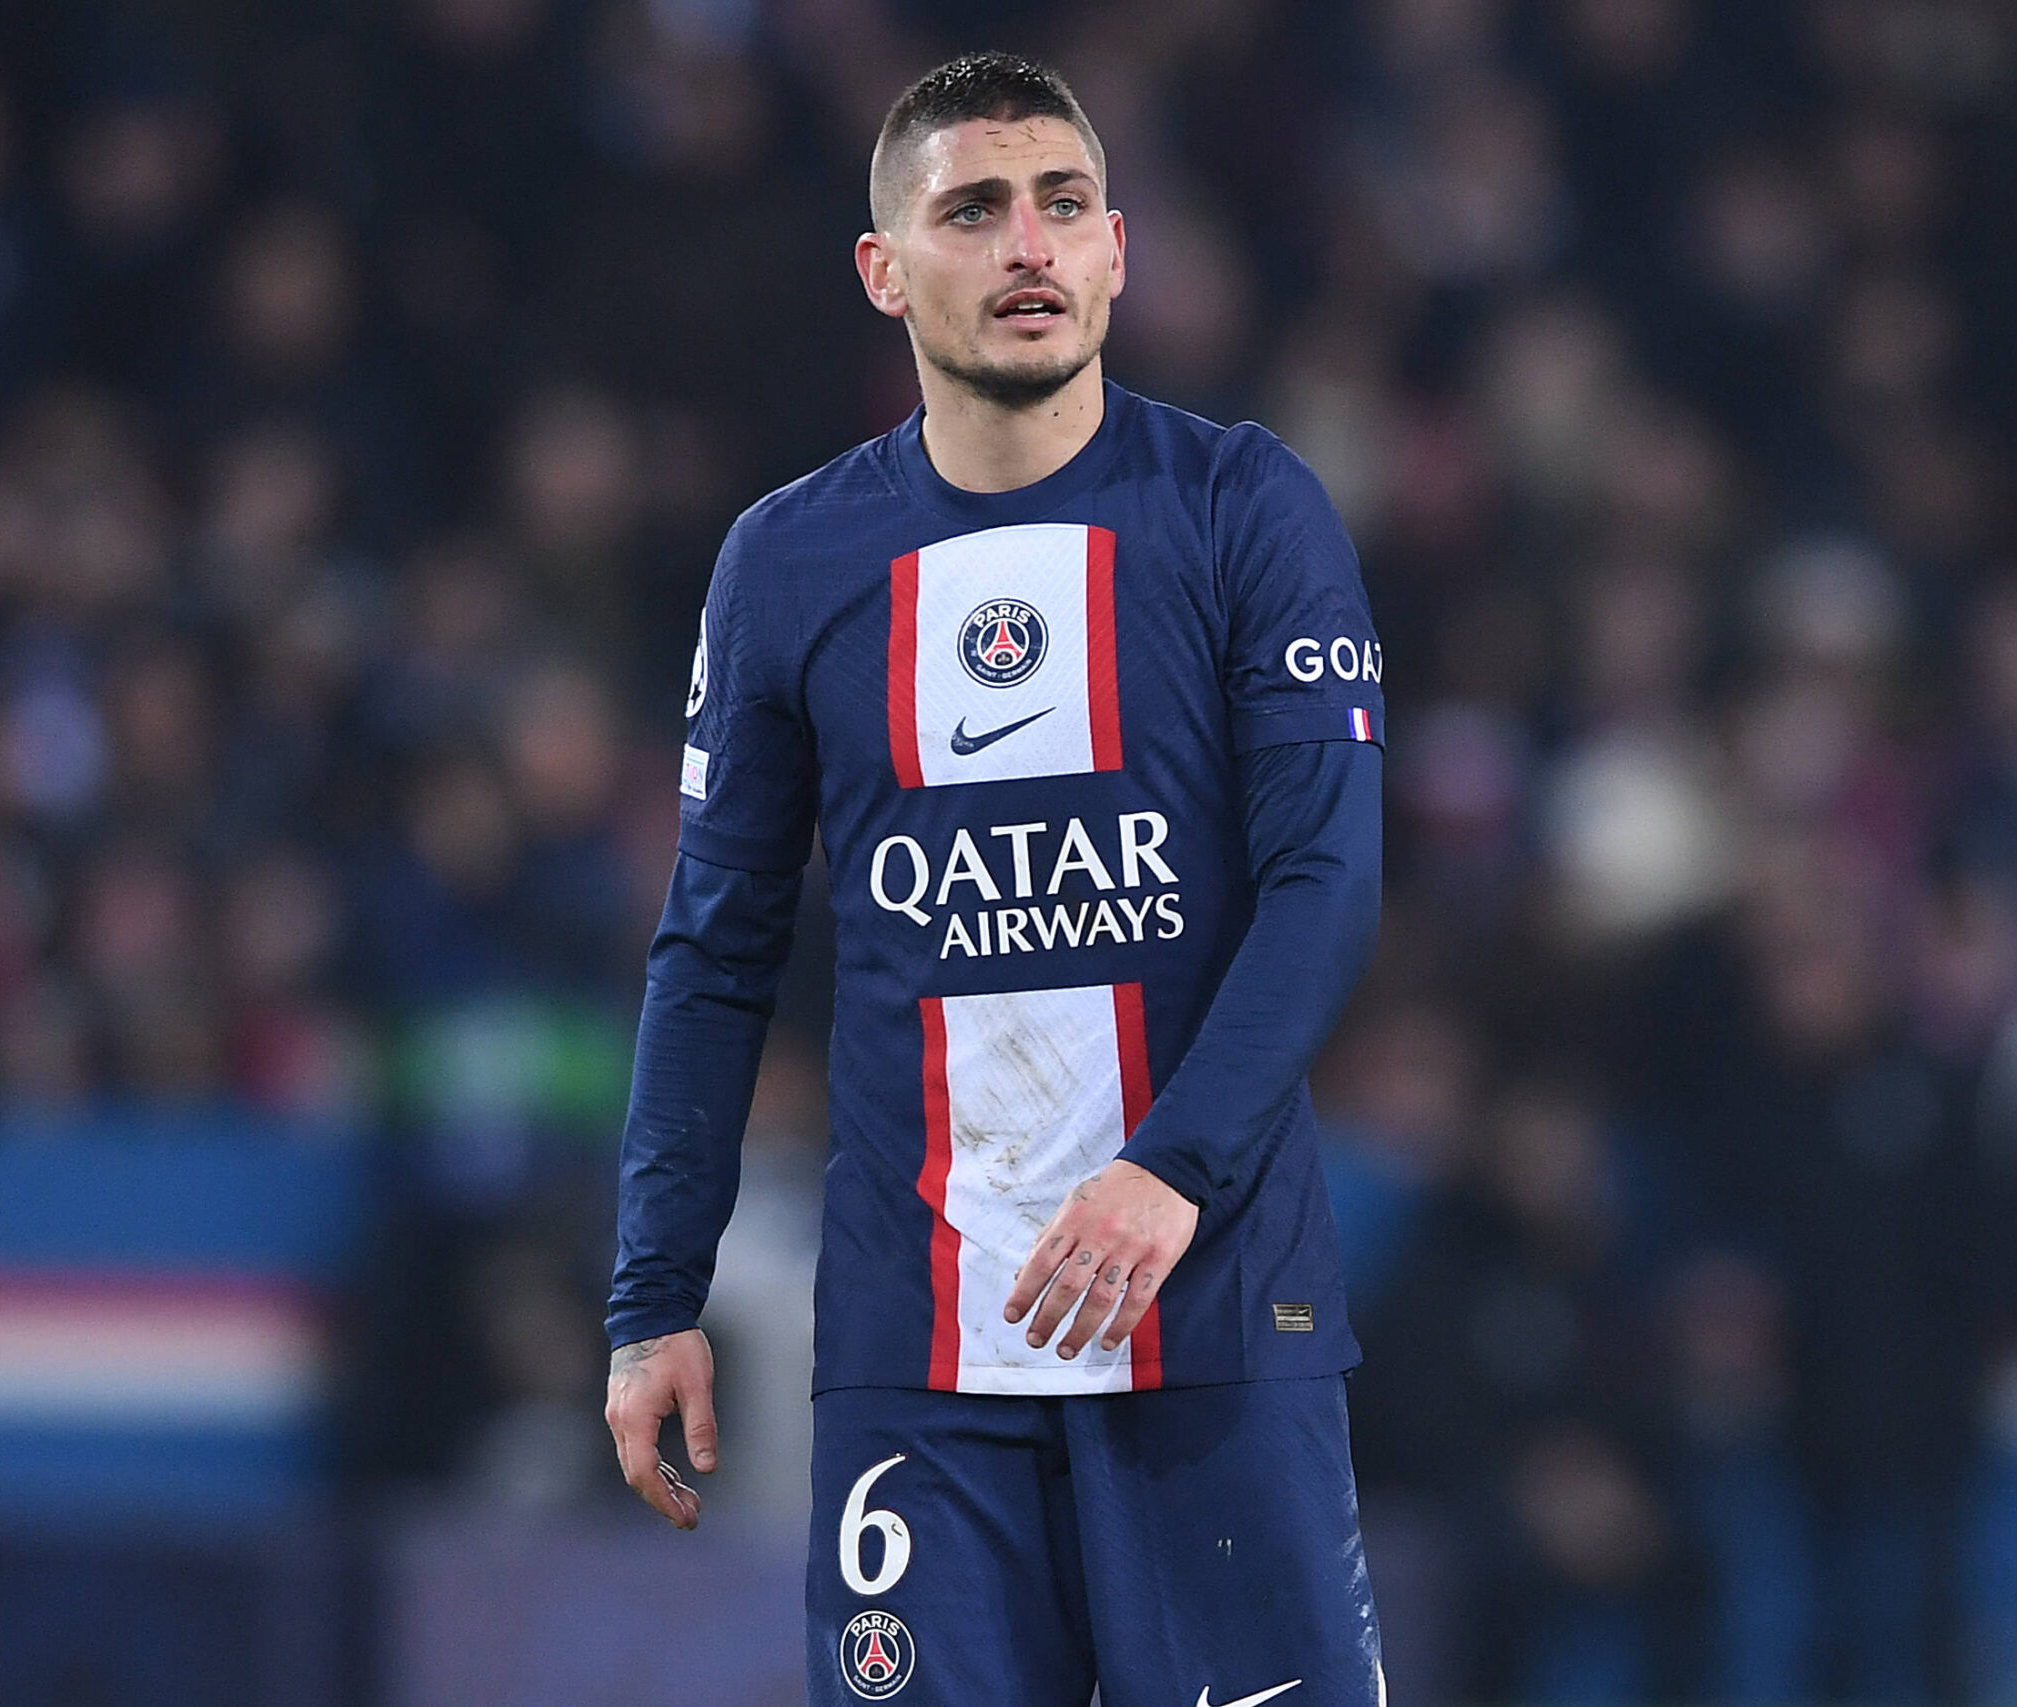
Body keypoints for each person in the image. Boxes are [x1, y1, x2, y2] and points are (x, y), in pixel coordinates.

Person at [601, 52, 1389, 1707]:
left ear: (1117, 251)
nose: (1029, 244)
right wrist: (654, 1294)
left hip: (1213, 1319)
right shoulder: (789, 563)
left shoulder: (1245, 507)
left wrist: (1170, 1168)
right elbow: (715, 954)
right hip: (921, 1354)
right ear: (885, 269)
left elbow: (1325, 880)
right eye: (973, 210)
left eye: (1064, 205)